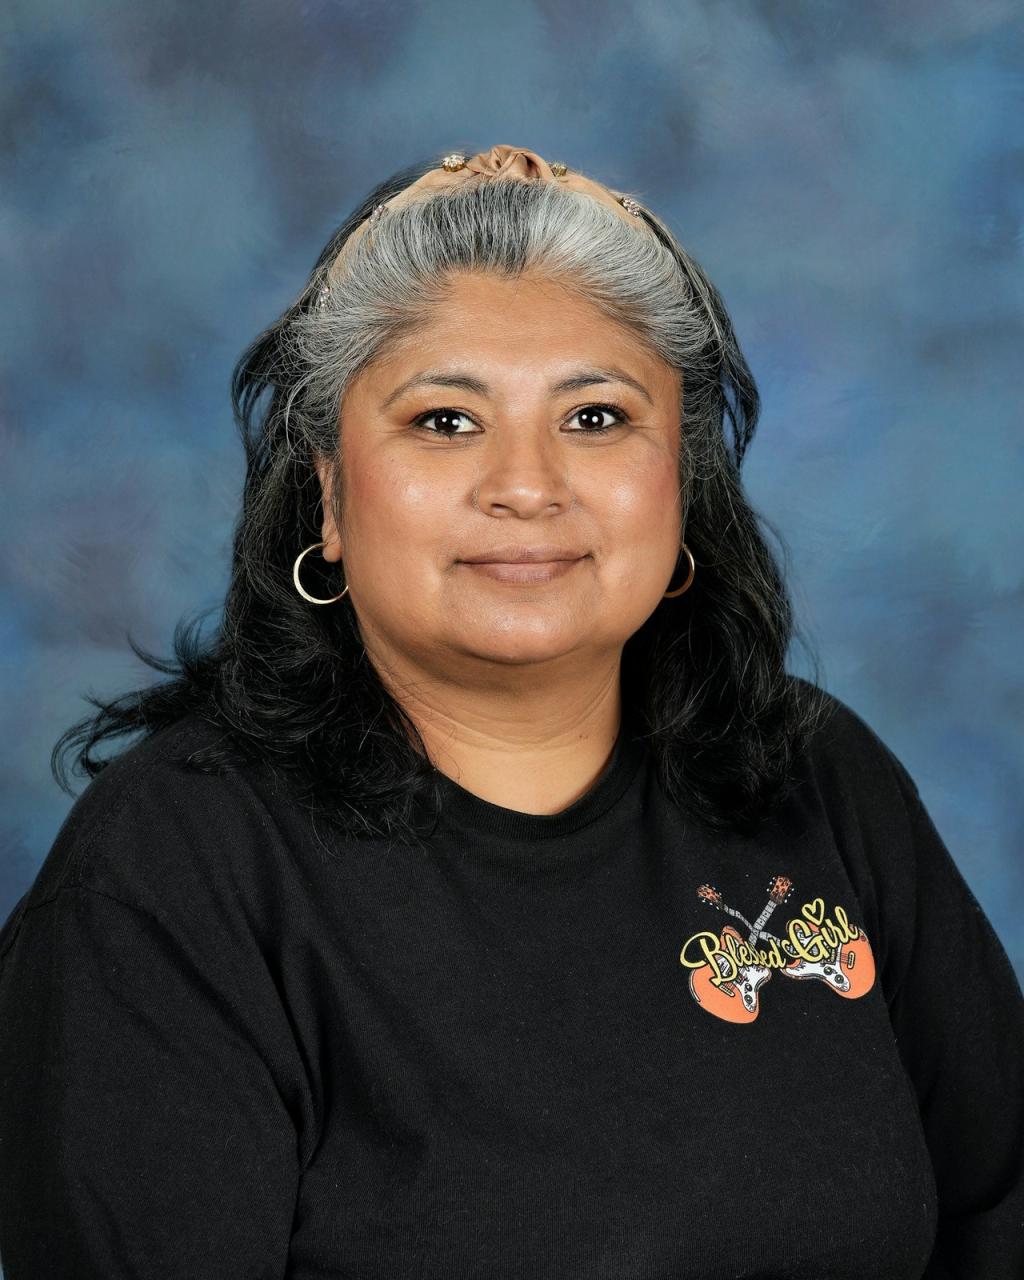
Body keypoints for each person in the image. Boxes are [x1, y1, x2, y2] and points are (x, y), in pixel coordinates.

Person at [0, 143, 1020, 1279]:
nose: (527, 483)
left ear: (681, 487)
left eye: (594, 417)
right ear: (329, 494)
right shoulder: (168, 878)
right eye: (444, 420)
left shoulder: (818, 775)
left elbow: (1000, 1208)